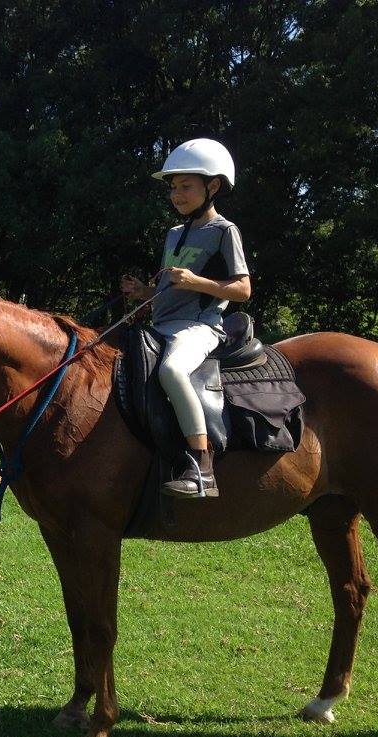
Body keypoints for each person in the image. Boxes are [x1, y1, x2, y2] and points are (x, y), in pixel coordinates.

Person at [121, 138, 252, 498]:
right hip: (161, 326)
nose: (176, 194)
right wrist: (143, 293)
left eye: (186, 186)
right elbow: (170, 289)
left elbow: (243, 290)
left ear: (212, 187)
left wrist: (199, 282)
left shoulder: (225, 231)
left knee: (172, 371)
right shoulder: (174, 234)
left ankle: (201, 466)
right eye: (174, 188)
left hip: (201, 326)